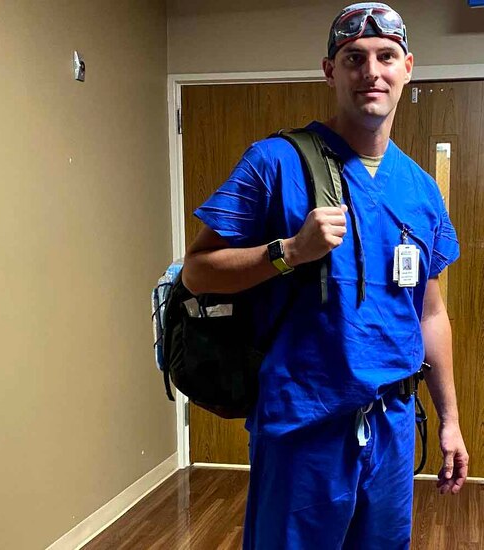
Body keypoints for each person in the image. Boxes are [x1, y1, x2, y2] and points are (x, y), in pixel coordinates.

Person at [182, 3, 468, 548]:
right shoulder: (274, 163)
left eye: (386, 57)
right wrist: (288, 250)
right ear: (329, 70)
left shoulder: (422, 190)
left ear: (408, 66)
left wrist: (449, 419)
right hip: (303, 423)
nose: (371, 72)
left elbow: (430, 312)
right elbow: (197, 273)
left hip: (392, 424)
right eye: (353, 58)